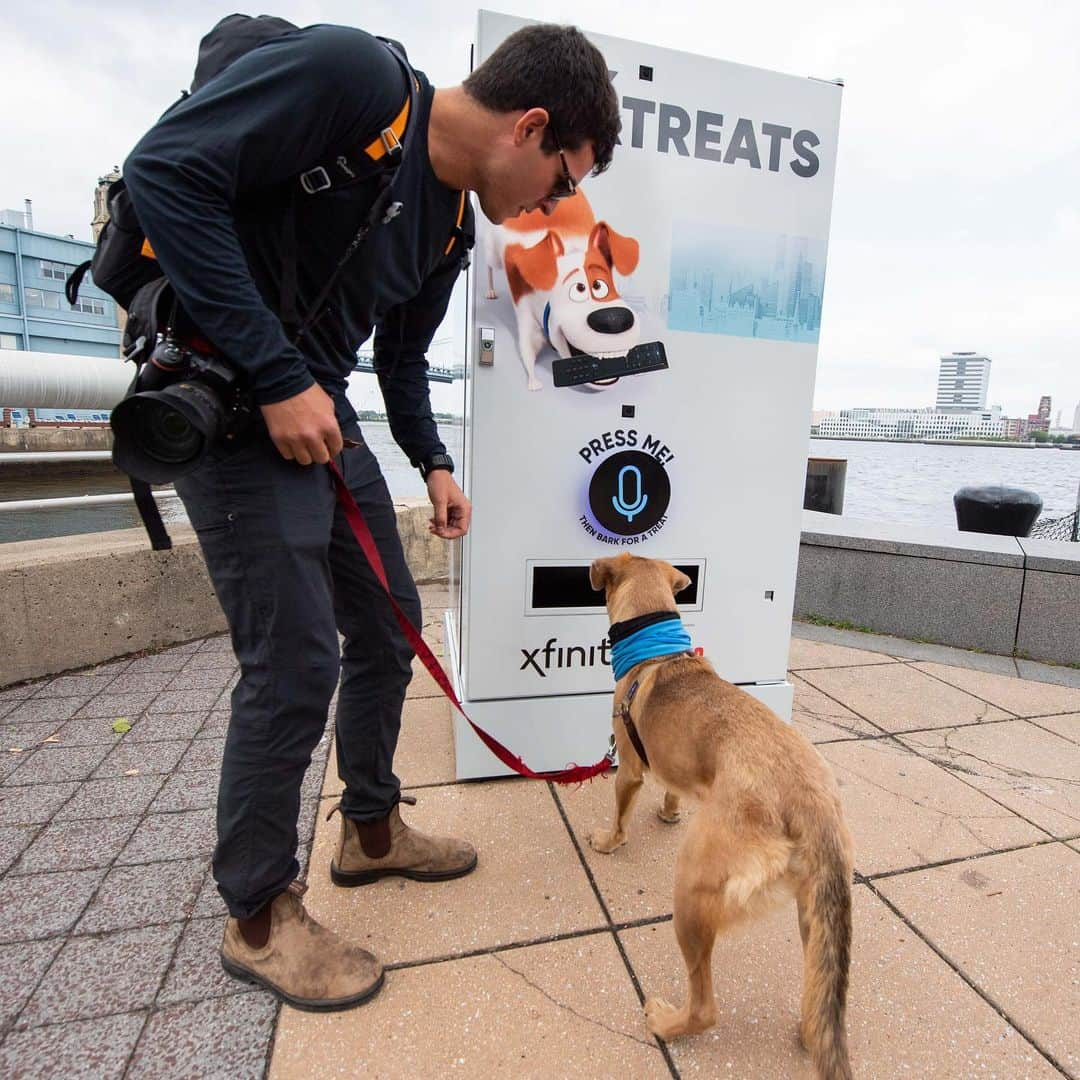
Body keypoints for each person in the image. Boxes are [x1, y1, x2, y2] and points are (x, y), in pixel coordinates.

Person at [122, 20, 620, 1011]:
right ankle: (259, 915)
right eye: (565, 180)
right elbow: (163, 171)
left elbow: (398, 363)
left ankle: (373, 830)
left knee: (388, 628)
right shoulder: (358, 82)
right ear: (531, 127)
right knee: (297, 658)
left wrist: (433, 461)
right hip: (226, 397)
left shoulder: (449, 227)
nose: (555, 207)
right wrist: (272, 377)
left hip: (317, 408)